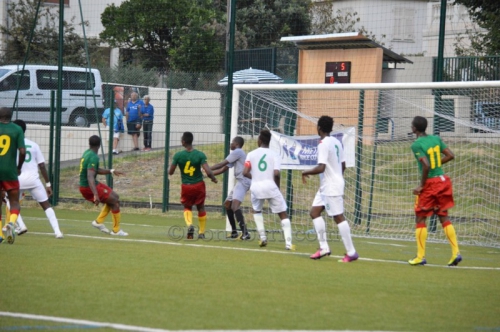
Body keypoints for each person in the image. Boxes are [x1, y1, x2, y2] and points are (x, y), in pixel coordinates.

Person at [302, 116, 358, 262]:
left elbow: (321, 167)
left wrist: (305, 172)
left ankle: (351, 252)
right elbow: (343, 165)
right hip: (328, 185)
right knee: (314, 212)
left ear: (319, 128)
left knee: (338, 217)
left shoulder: (323, 144)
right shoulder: (337, 142)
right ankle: (324, 247)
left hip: (331, 186)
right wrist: (335, 177)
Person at [409, 116, 461, 266]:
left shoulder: (417, 144)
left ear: (414, 128)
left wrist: (421, 186)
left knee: (420, 218)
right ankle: (455, 253)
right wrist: (436, 163)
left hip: (431, 183)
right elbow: (450, 155)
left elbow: (425, 166)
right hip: (443, 181)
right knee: (443, 216)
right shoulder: (436, 139)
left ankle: (420, 257)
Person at [4, 120, 63, 238]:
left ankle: (21, 225)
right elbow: (41, 165)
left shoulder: (11, 145)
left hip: (17, 179)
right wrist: (48, 184)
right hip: (33, 180)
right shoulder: (34, 144)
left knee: (10, 201)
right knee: (46, 206)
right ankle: (58, 232)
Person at [243, 130, 294, 250]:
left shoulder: (251, 154)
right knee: (283, 214)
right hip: (271, 186)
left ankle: (263, 238)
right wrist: (278, 187)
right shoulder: (275, 154)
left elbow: (245, 172)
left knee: (257, 210)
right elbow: (276, 173)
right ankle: (288, 243)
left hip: (256, 187)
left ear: (259, 140)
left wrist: (255, 177)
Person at [168, 132, 218, 239]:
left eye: (181, 139)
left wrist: (172, 165)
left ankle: (190, 225)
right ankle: (201, 233)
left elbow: (170, 172)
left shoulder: (178, 155)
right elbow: (208, 171)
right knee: (201, 207)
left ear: (184, 142)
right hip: (199, 185)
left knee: (187, 207)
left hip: (186, 186)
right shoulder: (200, 155)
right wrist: (213, 178)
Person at [79, 135, 128, 236]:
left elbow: (95, 170)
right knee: (114, 200)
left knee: (114, 198)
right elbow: (90, 176)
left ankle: (99, 222)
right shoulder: (93, 156)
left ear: (89, 144)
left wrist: (111, 171)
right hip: (88, 187)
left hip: (88, 185)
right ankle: (115, 230)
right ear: (99, 145)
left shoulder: (87, 153)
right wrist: (95, 194)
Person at [211, 136, 251, 240]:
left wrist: (205, 168)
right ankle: (234, 232)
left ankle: (245, 233)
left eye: (232, 142)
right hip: (240, 181)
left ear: (237, 144)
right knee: (227, 205)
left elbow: (221, 164)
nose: (230, 144)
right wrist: (206, 174)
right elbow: (222, 169)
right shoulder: (236, 155)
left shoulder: (237, 152)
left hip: (244, 180)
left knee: (235, 206)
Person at [0, 107, 26, 244]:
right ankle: (11, 224)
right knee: (14, 201)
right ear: (11, 116)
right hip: (10, 172)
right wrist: (19, 168)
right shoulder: (17, 129)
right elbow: (22, 151)